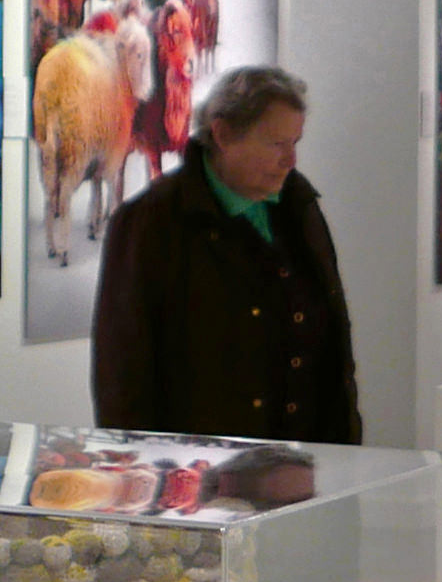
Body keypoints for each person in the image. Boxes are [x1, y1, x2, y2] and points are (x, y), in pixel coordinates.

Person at [87, 65, 361, 442]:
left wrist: (346, 455)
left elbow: (333, 345)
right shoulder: (150, 223)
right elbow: (123, 375)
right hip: (200, 477)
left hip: (307, 464)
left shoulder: (299, 206)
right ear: (223, 133)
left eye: (294, 143)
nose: (290, 161)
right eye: (276, 144)